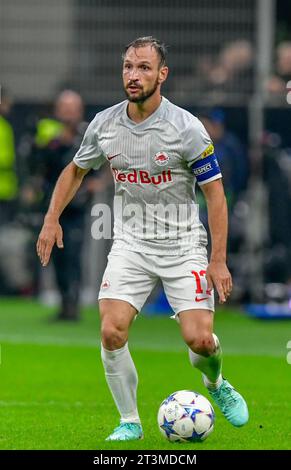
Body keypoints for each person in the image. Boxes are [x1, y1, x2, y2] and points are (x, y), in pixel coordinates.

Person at [37, 36, 249, 441]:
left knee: (200, 340)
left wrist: (217, 259)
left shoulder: (186, 128)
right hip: (131, 245)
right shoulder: (104, 124)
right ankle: (129, 420)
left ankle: (216, 383)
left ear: (162, 74)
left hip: (183, 243)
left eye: (144, 68)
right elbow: (75, 170)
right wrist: (52, 218)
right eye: (129, 67)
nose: (134, 76)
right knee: (111, 330)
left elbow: (215, 194)